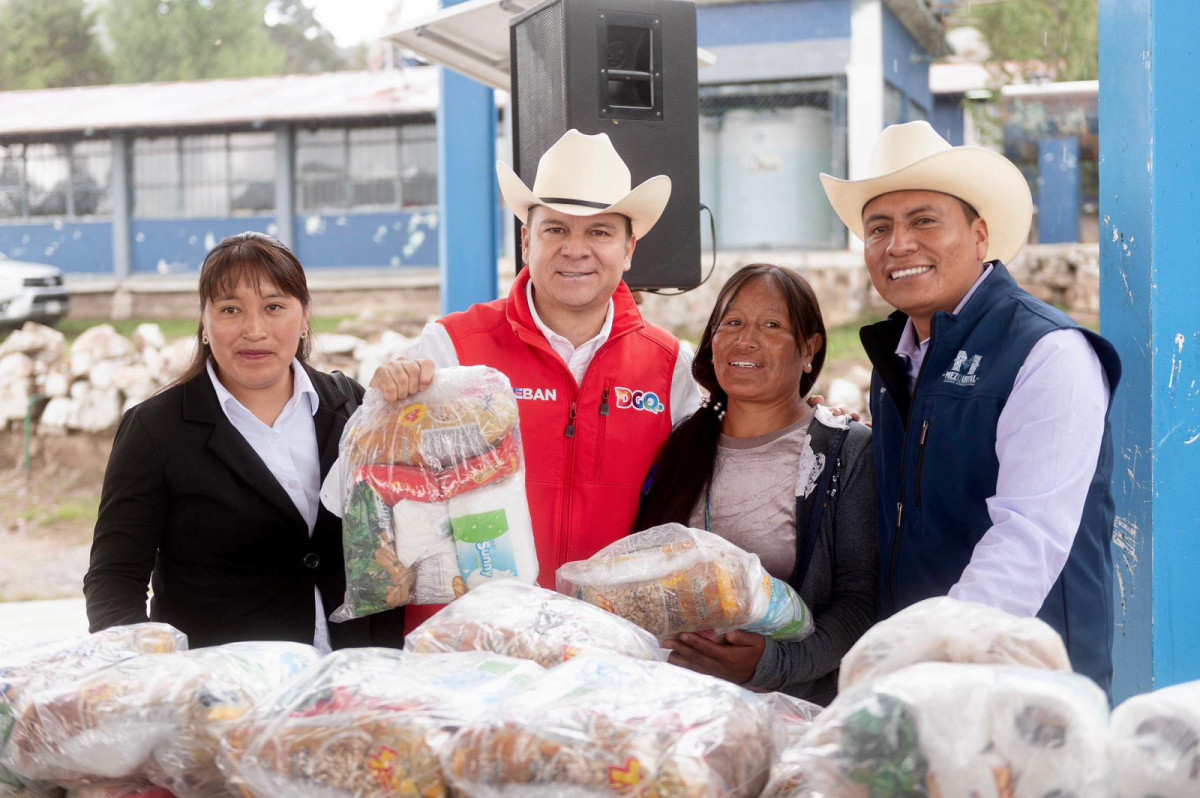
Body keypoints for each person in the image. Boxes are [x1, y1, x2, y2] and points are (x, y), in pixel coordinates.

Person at [819, 121, 1122, 693]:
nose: (898, 244)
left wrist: (927, 657)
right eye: (878, 228)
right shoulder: (897, 359)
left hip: (1026, 685)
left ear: (980, 235)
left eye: (924, 220)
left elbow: (1029, 537)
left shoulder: (1047, 351)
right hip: (919, 682)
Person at [369, 129, 701, 630]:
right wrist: (386, 402)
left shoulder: (674, 366)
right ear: (527, 238)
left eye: (599, 232)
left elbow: (713, 491)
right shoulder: (449, 348)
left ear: (630, 249)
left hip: (612, 649)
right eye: (555, 229)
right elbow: (379, 488)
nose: (576, 249)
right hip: (470, 645)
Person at [84, 232, 404, 650]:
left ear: (304, 315)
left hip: (352, 680)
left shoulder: (351, 407)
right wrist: (149, 676)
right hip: (225, 694)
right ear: (205, 321)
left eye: (274, 307)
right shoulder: (155, 429)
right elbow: (114, 579)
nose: (254, 330)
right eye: (230, 309)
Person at [636, 263, 877, 705]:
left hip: (789, 715)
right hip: (676, 707)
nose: (746, 339)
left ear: (810, 349)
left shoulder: (845, 453)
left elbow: (859, 601)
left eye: (771, 325)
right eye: (732, 322)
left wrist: (771, 664)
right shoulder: (680, 442)